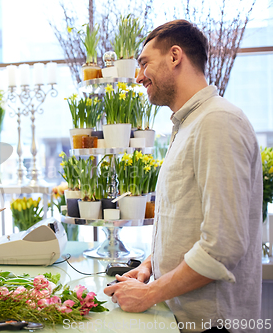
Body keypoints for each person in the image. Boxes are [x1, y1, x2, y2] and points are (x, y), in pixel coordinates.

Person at [104, 20, 262, 333]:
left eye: (144, 63)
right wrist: (150, 266)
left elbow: (222, 247)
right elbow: (184, 221)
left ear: (175, 57)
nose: (138, 76)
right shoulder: (189, 125)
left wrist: (150, 293)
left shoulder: (217, 121)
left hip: (214, 326)